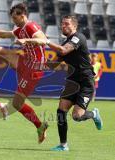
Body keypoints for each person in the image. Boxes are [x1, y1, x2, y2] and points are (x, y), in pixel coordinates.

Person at [17, 15, 103, 151]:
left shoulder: (78, 38)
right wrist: (32, 64)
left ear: (74, 26)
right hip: (72, 81)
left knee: (77, 116)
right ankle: (63, 145)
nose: (63, 26)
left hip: (86, 82)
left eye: (67, 24)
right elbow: (52, 65)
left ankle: (93, 114)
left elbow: (63, 50)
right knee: (61, 111)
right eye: (62, 24)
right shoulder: (63, 44)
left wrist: (45, 41)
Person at [0, 3, 48, 143]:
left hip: (35, 69)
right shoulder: (20, 29)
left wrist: (27, 40)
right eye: (12, 18)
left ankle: (40, 126)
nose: (13, 21)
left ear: (23, 15)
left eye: (15, 18)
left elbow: (43, 40)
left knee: (17, 103)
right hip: (26, 63)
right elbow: (3, 34)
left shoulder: (31, 26)